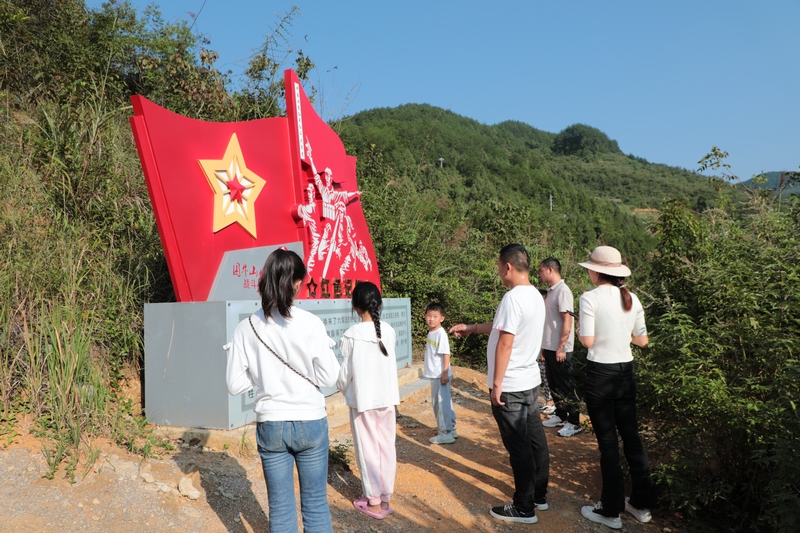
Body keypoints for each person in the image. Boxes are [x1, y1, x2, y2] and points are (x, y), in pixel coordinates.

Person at [226, 249, 340, 533]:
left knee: (280, 507)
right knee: (315, 504)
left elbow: (234, 384)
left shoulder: (246, 326)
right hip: (310, 420)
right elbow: (330, 376)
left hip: (271, 423)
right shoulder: (311, 323)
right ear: (297, 283)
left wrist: (262, 375)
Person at [450, 243, 549, 524]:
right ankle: (539, 496)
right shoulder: (534, 296)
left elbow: (505, 344)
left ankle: (524, 507)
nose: (499, 274)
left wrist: (496, 384)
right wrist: (470, 328)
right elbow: (501, 328)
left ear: (507, 266)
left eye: (498, 268)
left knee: (519, 447)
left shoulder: (513, 298)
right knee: (535, 441)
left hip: (512, 385)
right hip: (529, 381)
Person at [576, 246, 657, 529]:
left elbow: (586, 341)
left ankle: (610, 510)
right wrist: (621, 334)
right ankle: (641, 504)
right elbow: (642, 341)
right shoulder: (632, 298)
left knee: (608, 444)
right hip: (625, 372)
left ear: (598, 271)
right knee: (632, 438)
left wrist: (581, 330)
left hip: (600, 373)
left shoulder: (589, 298)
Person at [336, 281, 399, 520]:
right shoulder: (389, 331)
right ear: (379, 304)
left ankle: (372, 503)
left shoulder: (352, 335)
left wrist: (343, 390)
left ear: (354, 306)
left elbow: (345, 374)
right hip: (387, 399)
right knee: (386, 446)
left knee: (368, 449)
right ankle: (384, 499)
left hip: (363, 400)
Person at [539, 257, 583, 437]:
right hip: (549, 346)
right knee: (554, 384)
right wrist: (544, 347)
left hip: (560, 348)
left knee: (566, 385)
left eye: (541, 270)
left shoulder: (563, 291)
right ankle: (560, 415)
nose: (540, 274)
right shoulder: (550, 292)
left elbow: (568, 319)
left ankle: (574, 422)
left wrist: (561, 347)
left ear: (550, 270)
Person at [423, 303, 457, 444]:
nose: (431, 319)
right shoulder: (432, 332)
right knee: (444, 402)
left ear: (442, 318)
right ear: (425, 316)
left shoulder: (440, 334)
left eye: (435, 316)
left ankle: (445, 433)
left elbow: (446, 354)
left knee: (440, 404)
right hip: (435, 374)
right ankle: (451, 429)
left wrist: (444, 373)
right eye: (429, 316)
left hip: (439, 375)